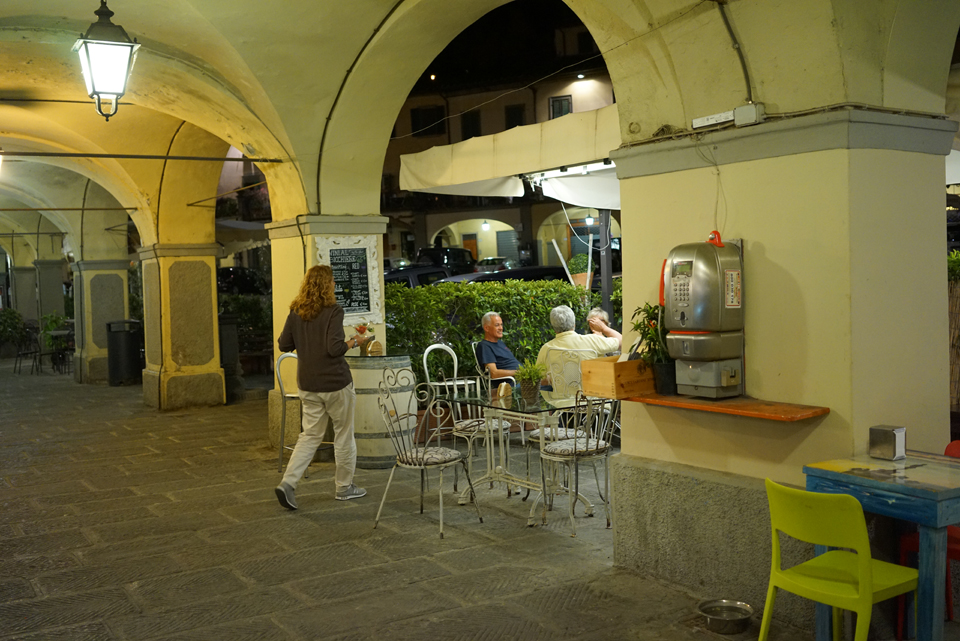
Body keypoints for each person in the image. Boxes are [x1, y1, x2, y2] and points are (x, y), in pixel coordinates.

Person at [274, 265, 370, 510]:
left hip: (308, 383)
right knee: (343, 434)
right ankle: (344, 487)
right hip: (335, 382)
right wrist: (355, 341)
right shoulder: (333, 311)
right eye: (333, 280)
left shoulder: (296, 311)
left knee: (309, 436)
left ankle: (288, 483)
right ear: (327, 285)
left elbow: (284, 344)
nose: (335, 284)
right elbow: (334, 348)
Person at [536, 305, 622, 368]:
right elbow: (622, 341)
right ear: (574, 324)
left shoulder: (546, 349)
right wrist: (604, 328)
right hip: (590, 388)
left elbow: (540, 379)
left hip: (560, 389)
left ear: (554, 328)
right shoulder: (591, 340)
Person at [477, 311, 520, 381]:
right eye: (497, 325)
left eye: (501, 325)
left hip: (523, 380)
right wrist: (519, 373)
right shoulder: (485, 346)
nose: (501, 328)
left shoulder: (500, 343)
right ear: (486, 328)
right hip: (511, 382)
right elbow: (494, 373)